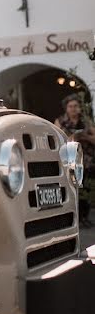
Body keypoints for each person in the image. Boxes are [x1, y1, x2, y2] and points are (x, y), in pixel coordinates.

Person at [55, 94, 95, 227]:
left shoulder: (86, 122)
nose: (73, 109)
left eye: (76, 106)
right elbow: (56, 139)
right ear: (66, 108)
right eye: (70, 106)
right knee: (70, 187)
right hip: (68, 159)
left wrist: (85, 137)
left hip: (86, 161)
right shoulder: (60, 121)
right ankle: (72, 217)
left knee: (85, 188)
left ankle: (84, 216)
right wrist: (71, 137)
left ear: (80, 108)